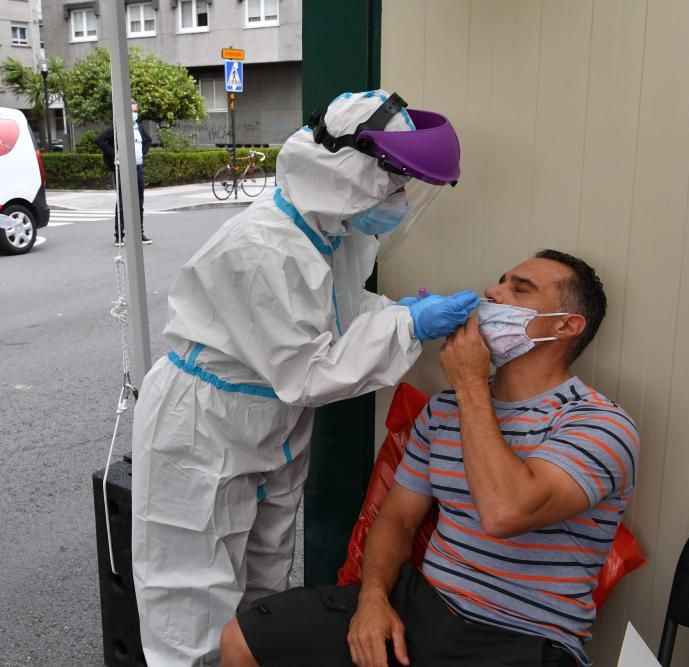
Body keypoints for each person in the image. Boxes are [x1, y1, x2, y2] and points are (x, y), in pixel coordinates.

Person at [131, 90, 481, 666]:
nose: (396, 199)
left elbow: (338, 314)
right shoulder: (264, 246)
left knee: (265, 581)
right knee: (191, 597)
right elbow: (311, 369)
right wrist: (409, 326)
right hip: (203, 424)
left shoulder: (330, 236)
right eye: (392, 183)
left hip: (269, 419)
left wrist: (398, 314)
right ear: (349, 170)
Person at [221, 250, 640, 667]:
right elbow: (398, 518)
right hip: (419, 609)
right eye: (500, 280)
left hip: (521, 640)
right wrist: (372, 600)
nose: (493, 292)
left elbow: (504, 511)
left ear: (566, 326)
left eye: (519, 289)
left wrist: (471, 384)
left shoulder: (599, 424)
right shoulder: (444, 409)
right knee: (242, 640)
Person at [93, 101, 152, 246]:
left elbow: (148, 141)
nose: (134, 113)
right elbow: (99, 140)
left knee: (139, 203)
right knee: (122, 203)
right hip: (123, 169)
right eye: (131, 111)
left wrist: (141, 153)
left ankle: (139, 233)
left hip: (137, 168)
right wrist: (115, 154)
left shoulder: (139, 128)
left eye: (135, 111)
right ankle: (119, 236)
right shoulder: (118, 128)